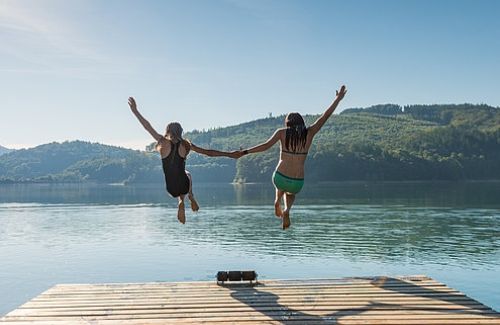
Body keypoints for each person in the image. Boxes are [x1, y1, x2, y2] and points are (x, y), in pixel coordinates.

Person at [240, 85, 347, 229]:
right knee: (291, 192)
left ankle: (277, 200)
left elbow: (265, 146)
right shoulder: (309, 133)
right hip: (297, 181)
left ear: (288, 123)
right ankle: (287, 210)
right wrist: (338, 99)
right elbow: (325, 116)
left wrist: (246, 151)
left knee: (280, 184)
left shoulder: (281, 132)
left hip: (280, 176)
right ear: (301, 122)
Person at [128, 97, 241, 224]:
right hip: (185, 186)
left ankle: (181, 201)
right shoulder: (186, 145)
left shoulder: (162, 142)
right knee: (187, 174)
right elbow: (209, 153)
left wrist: (135, 111)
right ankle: (189, 197)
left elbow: (147, 126)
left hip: (170, 188)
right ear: (181, 132)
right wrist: (230, 154)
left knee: (179, 178)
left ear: (167, 131)